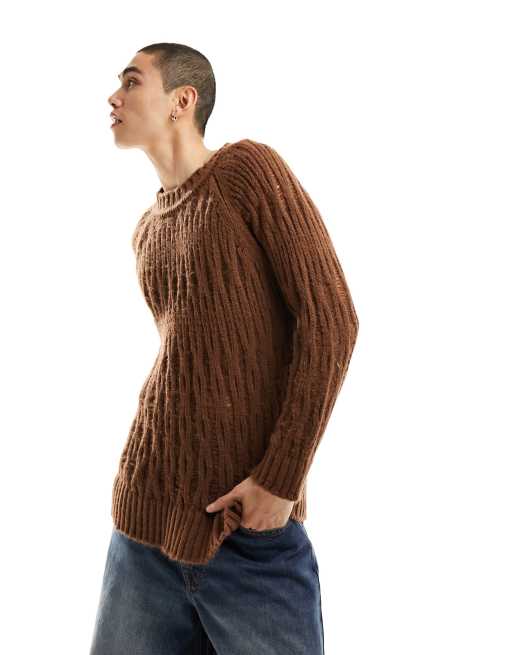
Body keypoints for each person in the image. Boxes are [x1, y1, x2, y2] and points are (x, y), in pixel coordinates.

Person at [90, 41, 359, 655]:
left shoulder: (246, 172)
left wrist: (281, 481)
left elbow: (331, 321)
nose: (114, 97)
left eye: (131, 82)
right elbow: (185, 361)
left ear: (181, 100)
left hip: (247, 534)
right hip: (142, 526)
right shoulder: (148, 231)